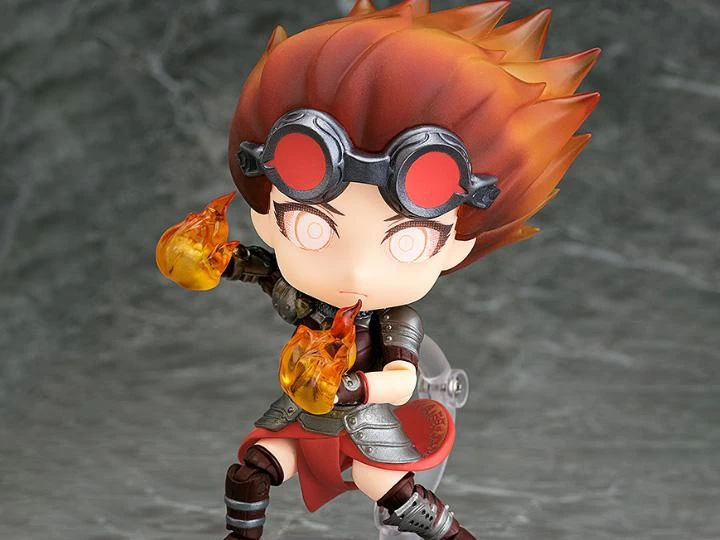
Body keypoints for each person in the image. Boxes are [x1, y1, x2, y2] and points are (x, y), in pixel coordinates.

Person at [156, 0, 600, 538]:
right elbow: (255, 268)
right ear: (266, 216)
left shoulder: (395, 321)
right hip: (302, 414)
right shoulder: (303, 296)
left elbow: (403, 380)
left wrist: (349, 389)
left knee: (392, 491)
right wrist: (210, 257)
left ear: (456, 246)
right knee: (251, 474)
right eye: (313, 228)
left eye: (406, 242)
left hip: (364, 422)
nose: (358, 271)